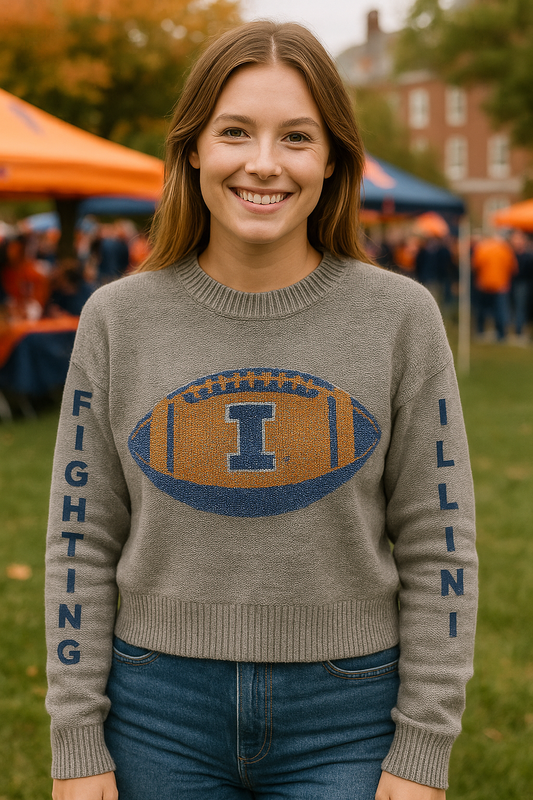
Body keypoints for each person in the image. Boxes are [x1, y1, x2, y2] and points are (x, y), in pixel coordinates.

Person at [45, 21, 477, 800]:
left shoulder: (399, 317)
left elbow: (440, 543)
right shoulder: (116, 320)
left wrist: (422, 747)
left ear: (333, 159)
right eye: (235, 131)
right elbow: (78, 541)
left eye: (297, 137)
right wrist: (76, 741)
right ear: (193, 149)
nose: (264, 163)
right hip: (154, 717)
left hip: (350, 717)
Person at [471, 233, 517, 341]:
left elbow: (475, 265)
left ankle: (480, 331)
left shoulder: (482, 248)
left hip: (484, 284)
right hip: (500, 285)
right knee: (500, 310)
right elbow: (513, 267)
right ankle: (501, 334)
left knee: (482, 310)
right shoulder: (505, 249)